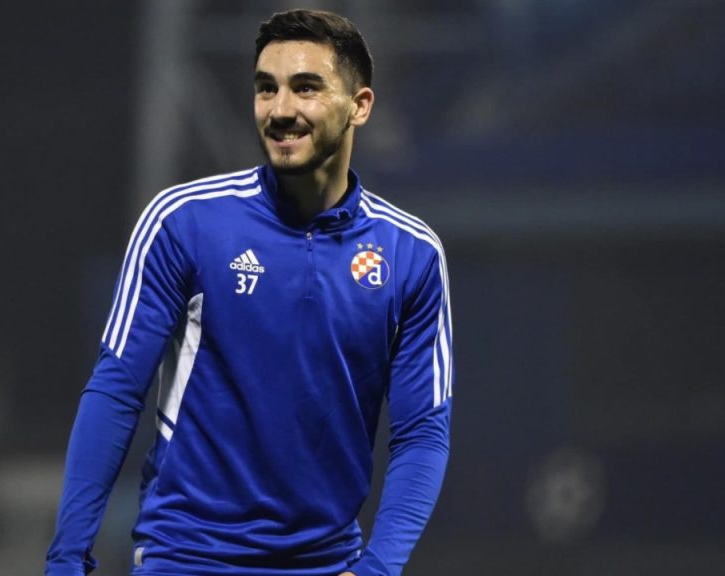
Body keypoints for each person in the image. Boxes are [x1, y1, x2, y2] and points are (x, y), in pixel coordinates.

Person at [45, 9, 452, 576]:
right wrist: (66, 558)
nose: (280, 110)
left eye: (305, 88)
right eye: (266, 88)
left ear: (359, 105)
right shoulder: (183, 222)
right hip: (187, 557)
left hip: (325, 564)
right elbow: (116, 391)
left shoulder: (412, 254)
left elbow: (421, 434)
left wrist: (377, 569)